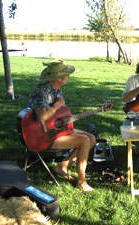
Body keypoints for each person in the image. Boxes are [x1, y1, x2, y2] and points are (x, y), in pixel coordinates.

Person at [28, 59, 96, 192]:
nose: (69, 76)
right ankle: (81, 182)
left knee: (91, 138)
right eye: (66, 74)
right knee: (84, 140)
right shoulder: (43, 92)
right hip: (41, 137)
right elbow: (42, 117)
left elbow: (58, 115)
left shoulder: (55, 89)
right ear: (58, 78)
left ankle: (62, 166)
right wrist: (57, 105)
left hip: (51, 129)